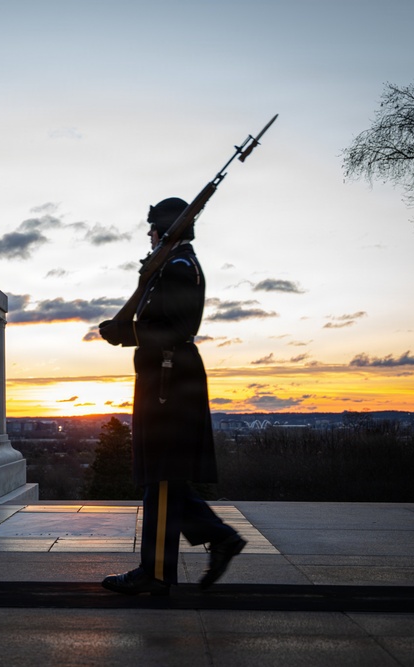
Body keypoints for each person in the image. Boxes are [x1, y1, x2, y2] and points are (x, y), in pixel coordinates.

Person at [98, 196, 246, 595]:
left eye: (152, 228)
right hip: (165, 378)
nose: (148, 235)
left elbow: (176, 327)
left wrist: (123, 334)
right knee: (163, 479)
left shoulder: (179, 267)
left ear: (165, 229)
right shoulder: (168, 268)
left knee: (162, 479)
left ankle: (157, 573)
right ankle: (221, 538)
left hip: (170, 381)